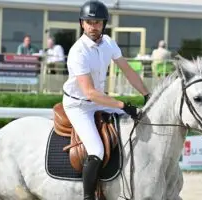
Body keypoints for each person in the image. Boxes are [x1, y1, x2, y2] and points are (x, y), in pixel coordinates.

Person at [62, 1, 151, 199]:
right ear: (82, 24)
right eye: (89, 22)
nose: (94, 26)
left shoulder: (109, 42)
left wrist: (147, 95)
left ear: (104, 24)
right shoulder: (78, 51)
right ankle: (88, 197)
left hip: (98, 101)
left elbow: (128, 71)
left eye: (98, 22)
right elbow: (90, 92)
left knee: (136, 123)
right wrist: (124, 106)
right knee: (96, 150)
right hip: (79, 105)